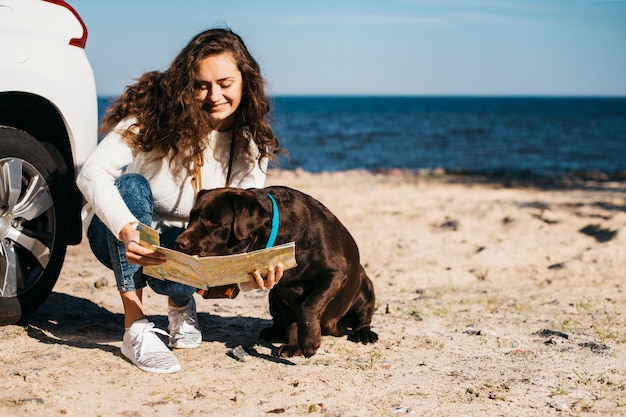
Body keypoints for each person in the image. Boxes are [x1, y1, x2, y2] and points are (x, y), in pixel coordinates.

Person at [77, 28, 285, 374]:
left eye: (225, 83)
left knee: (192, 263)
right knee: (130, 185)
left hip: (179, 249)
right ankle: (136, 326)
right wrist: (127, 229)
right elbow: (91, 173)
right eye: (201, 85)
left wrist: (251, 278)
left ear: (245, 82)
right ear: (186, 85)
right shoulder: (154, 114)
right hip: (117, 236)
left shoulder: (251, 143)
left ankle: (179, 302)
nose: (214, 95)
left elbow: (240, 232)